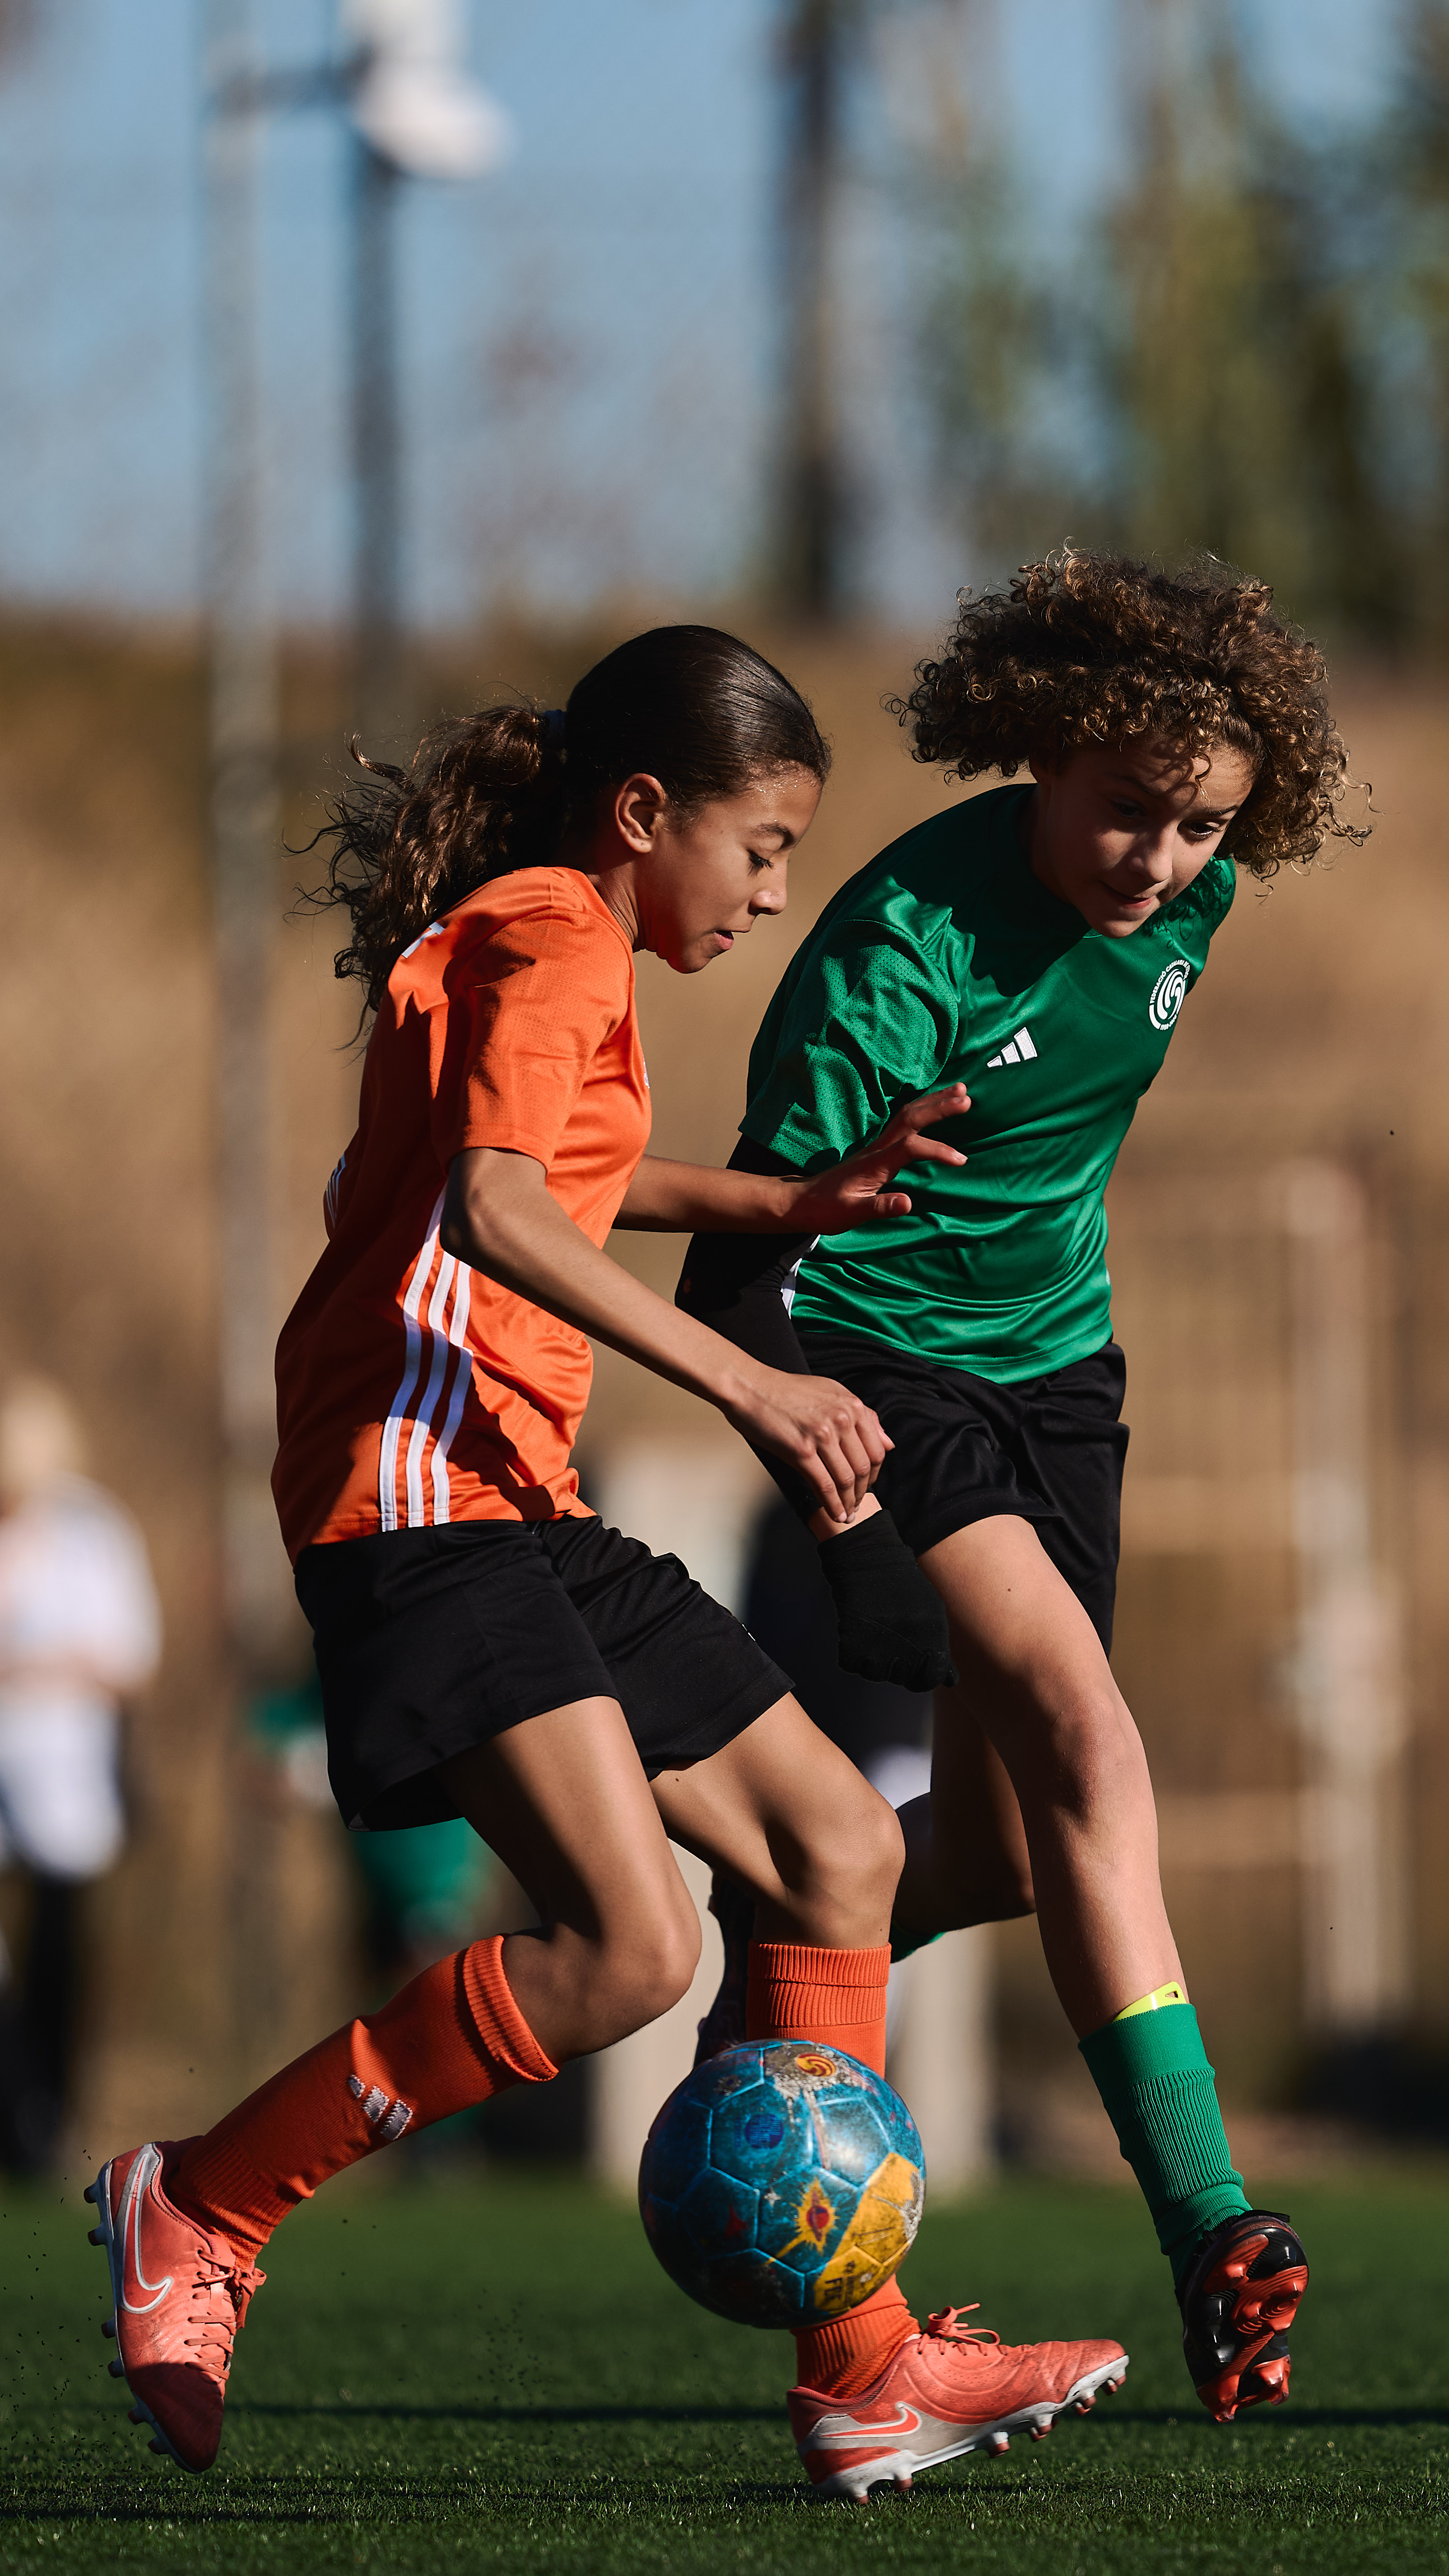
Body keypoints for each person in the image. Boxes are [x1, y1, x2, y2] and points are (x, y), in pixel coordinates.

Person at [86, 625, 1125, 2495]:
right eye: (760, 847)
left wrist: (778, 1201)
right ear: (645, 811)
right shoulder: (554, 931)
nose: (773, 891)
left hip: (515, 1494)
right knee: (631, 1948)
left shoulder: (560, 941)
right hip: (416, 1498)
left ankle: (861, 2372)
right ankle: (202, 2202)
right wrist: (752, 1376)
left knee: (837, 1847)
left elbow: (559, 1168)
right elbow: (495, 1205)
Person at [679, 553, 1359, 2423]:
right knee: (1089, 1734)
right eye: (1126, 807)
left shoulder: (1195, 895)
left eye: (1200, 823)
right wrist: (832, 1497)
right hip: (883, 1363)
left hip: (1063, 1377)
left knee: (988, 1851)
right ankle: (1210, 2224)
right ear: (1044, 745)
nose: (1159, 857)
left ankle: (771, 1964)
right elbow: (736, 1274)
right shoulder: (893, 951)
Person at [0, 1376, 160, 2173]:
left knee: (58, 1957)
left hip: (65, 1783)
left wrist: (41, 1666)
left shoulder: (93, 1532)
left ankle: (45, 2121)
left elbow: (129, 1655)